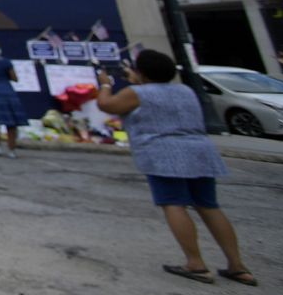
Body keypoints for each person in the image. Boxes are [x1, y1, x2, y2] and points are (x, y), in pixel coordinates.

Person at [96, 50, 256, 287]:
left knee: (173, 203)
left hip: (164, 153)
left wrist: (106, 85)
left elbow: (106, 105)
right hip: (199, 151)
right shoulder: (185, 90)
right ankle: (238, 266)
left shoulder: (138, 92)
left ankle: (195, 263)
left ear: (142, 72)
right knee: (208, 206)